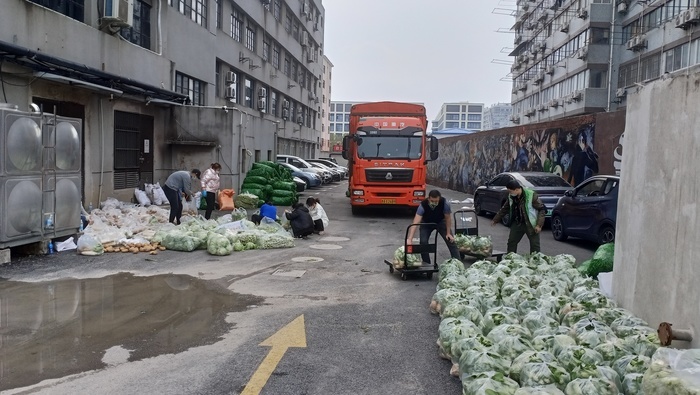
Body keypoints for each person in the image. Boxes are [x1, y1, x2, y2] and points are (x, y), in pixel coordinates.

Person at [492, 180, 547, 254]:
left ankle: (535, 261)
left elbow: (542, 210)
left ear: (516, 190)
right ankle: (511, 259)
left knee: (535, 245)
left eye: (511, 191)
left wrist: (539, 225)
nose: (510, 193)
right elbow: (505, 208)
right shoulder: (511, 197)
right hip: (518, 222)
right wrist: (496, 219)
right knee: (512, 242)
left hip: (531, 224)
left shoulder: (531, 195)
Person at [406, 190, 461, 264]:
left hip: (440, 221)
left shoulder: (445, 204)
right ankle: (426, 264)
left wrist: (448, 233)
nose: (434, 203)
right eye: (432, 201)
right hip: (426, 223)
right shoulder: (423, 205)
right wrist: (410, 239)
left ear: (439, 199)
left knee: (450, 240)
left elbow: (448, 218)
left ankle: (458, 263)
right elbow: (415, 222)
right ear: (429, 199)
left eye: (436, 201)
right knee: (423, 242)